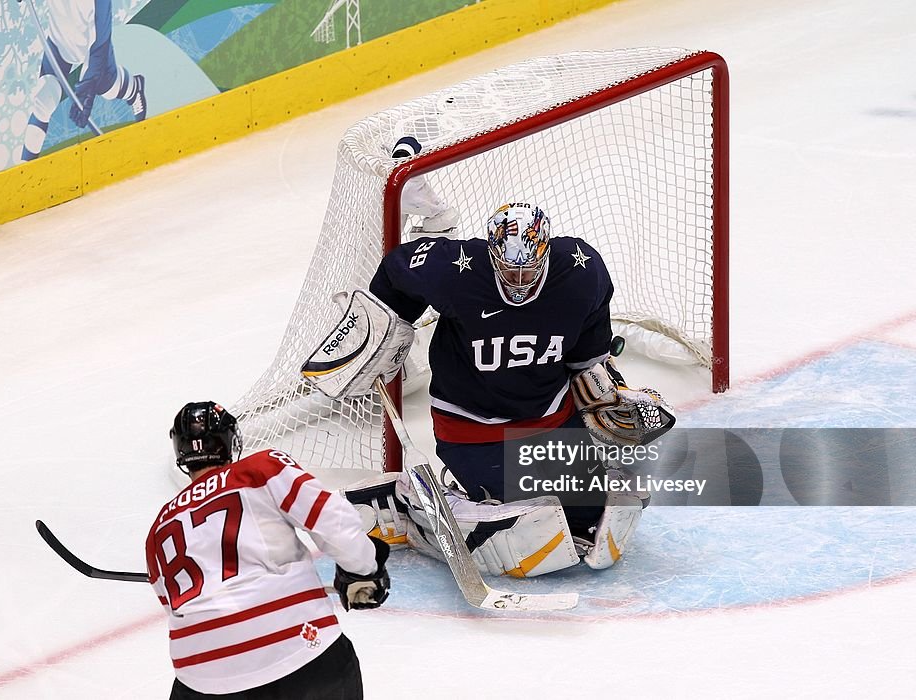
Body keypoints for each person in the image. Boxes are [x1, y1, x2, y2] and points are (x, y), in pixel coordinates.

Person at [353, 202, 671, 576]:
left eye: (529, 269)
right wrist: (383, 328)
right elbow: (396, 269)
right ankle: (414, 502)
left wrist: (605, 391)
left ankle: (494, 499)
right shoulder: (456, 270)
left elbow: (587, 353)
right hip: (472, 430)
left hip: (551, 419)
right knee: (526, 528)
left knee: (593, 516)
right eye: (508, 269)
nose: (519, 279)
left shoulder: (581, 271)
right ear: (491, 254)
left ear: (546, 252)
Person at [146, 402, 389, 699]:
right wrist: (364, 569)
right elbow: (334, 524)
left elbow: (168, 599)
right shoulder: (260, 469)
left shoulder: (159, 526)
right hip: (300, 654)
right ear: (230, 441)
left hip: (201, 680)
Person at [21, 0, 147, 161]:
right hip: (59, 43)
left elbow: (99, 44)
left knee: (108, 88)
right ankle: (26, 167)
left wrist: (88, 87)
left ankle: (134, 88)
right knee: (44, 98)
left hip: (93, 49)